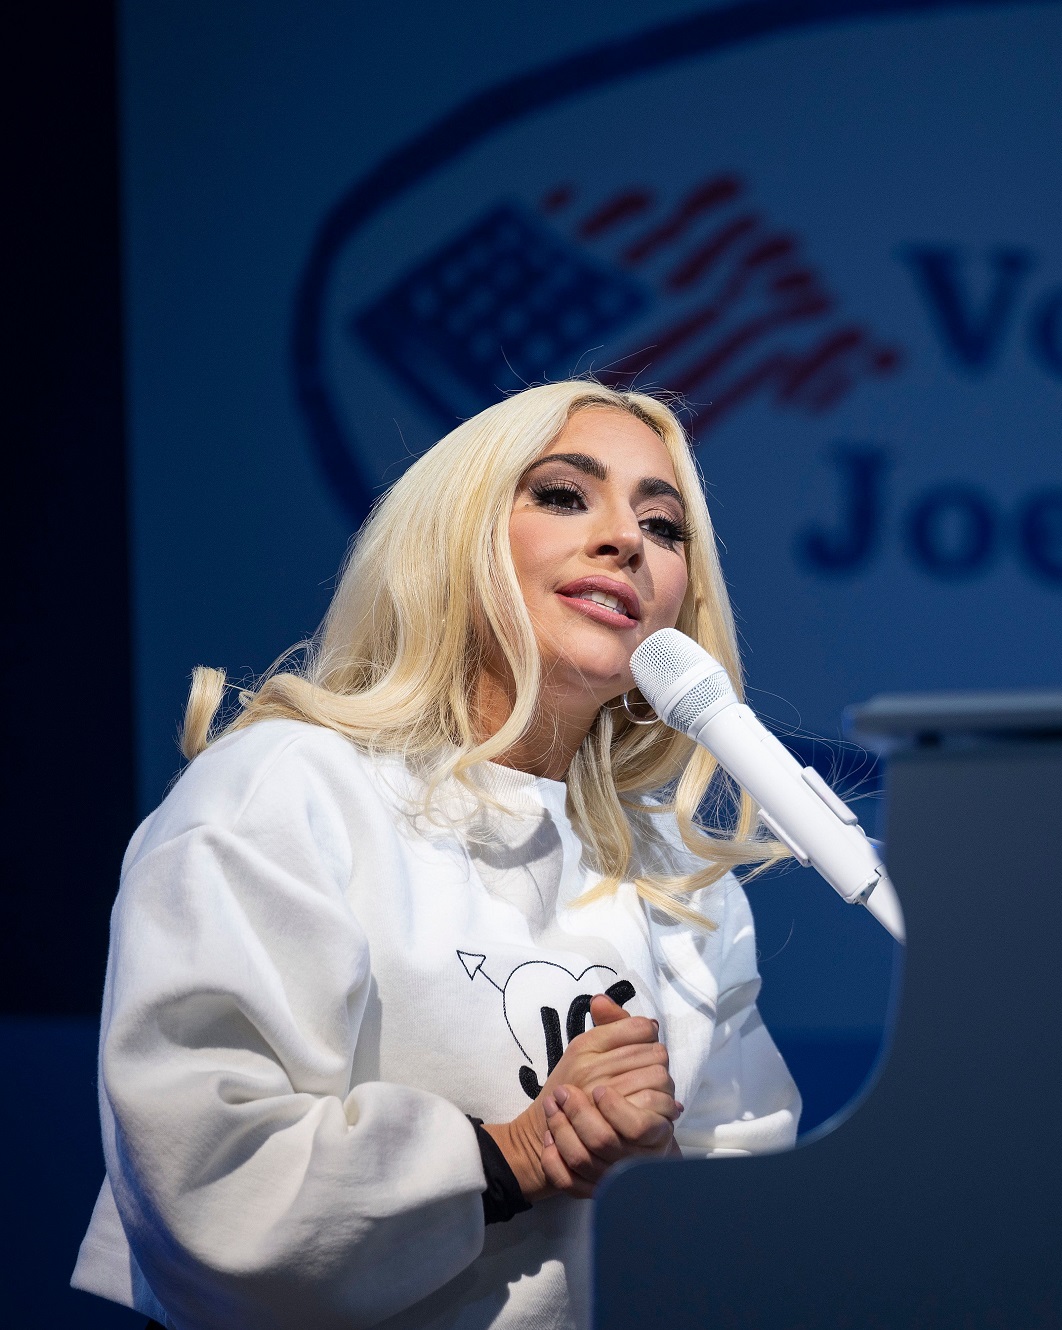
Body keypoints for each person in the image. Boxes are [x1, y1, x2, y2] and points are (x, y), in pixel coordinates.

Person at [71, 381, 800, 1328]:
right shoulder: (289, 786)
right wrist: (520, 1155)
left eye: (664, 527)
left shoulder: (674, 872)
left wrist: (653, 1169)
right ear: (453, 537)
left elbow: (762, 1206)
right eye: (564, 496)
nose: (627, 539)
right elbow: (208, 1174)